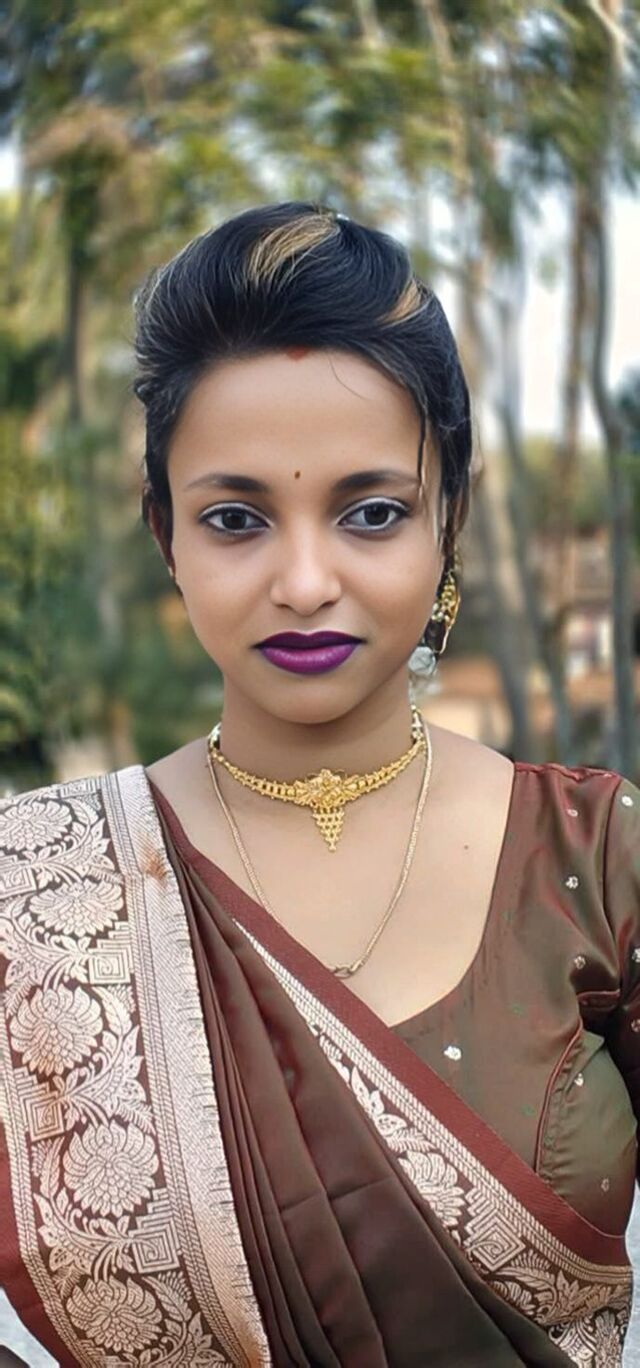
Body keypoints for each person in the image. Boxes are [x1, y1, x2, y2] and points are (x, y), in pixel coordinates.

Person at [0, 200, 638, 1368]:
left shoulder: (595, 856)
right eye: (236, 518)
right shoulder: (32, 886)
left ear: (448, 520)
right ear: (166, 536)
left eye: (372, 513)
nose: (303, 581)